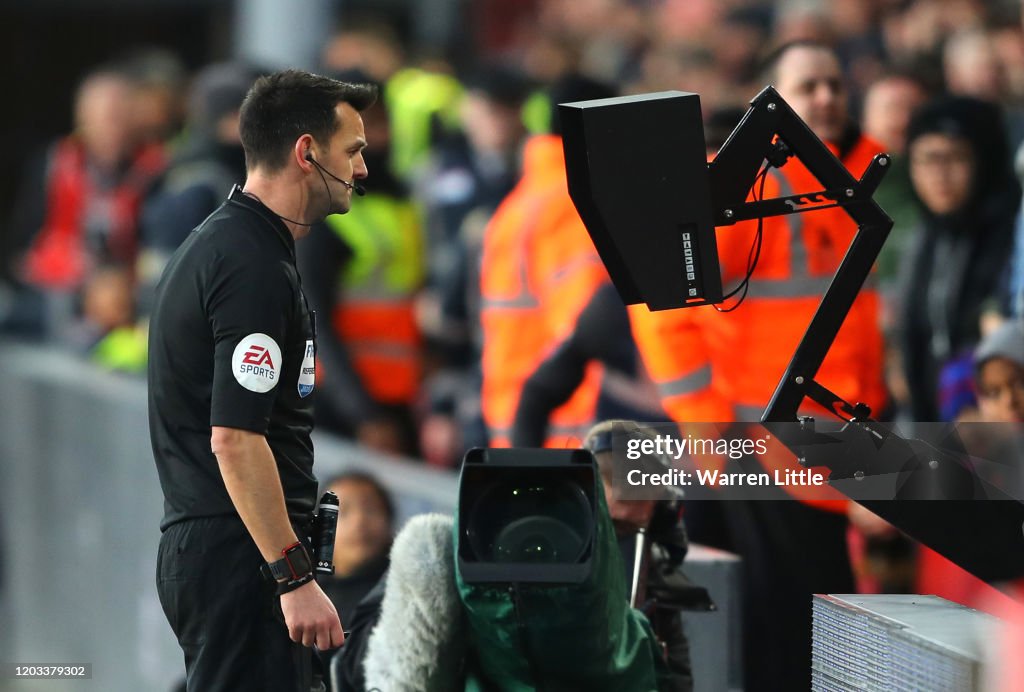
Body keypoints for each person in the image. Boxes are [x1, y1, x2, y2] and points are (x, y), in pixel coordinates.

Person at [628, 40, 887, 692]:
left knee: (824, 625)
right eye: (808, 87)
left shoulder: (851, 185)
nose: (826, 98)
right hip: (765, 451)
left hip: (839, 449)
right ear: (771, 106)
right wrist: (704, 425)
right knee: (792, 633)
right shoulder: (744, 186)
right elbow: (663, 308)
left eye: (834, 83)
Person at [148, 70, 375, 691]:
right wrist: (294, 579)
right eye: (352, 151)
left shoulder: (240, 246)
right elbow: (237, 438)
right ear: (307, 152)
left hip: (235, 553)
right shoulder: (249, 264)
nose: (361, 170)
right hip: (240, 559)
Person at [479, 74, 615, 448]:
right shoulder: (570, 203)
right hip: (565, 433)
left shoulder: (525, 199)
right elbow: (582, 331)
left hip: (522, 424)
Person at [899, 95, 1020, 422]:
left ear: (984, 161)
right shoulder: (924, 235)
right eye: (926, 159)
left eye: (955, 157)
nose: (939, 174)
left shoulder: (1012, 234)